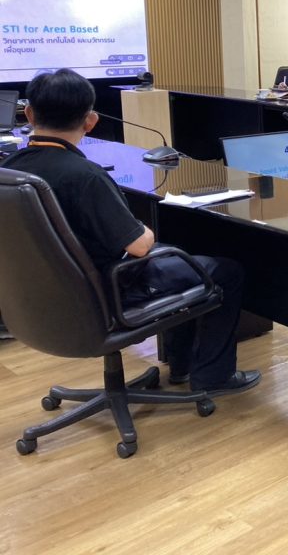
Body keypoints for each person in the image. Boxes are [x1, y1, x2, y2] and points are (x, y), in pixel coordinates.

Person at [0, 69, 260, 396]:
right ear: (90, 121)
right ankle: (214, 377)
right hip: (109, 292)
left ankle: (181, 364)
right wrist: (144, 229)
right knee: (226, 271)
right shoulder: (86, 176)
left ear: (29, 114)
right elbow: (138, 246)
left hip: (44, 298)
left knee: (178, 256)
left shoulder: (10, 170)